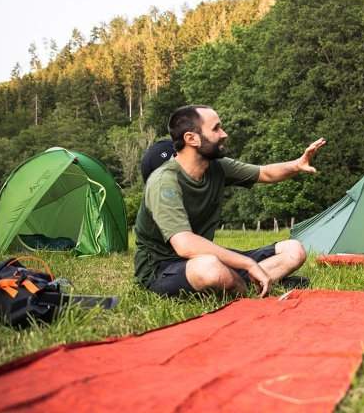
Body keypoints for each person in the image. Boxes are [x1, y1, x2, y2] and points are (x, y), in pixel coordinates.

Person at [133, 104, 327, 297]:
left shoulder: (217, 166)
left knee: (294, 250)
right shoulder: (163, 182)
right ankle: (248, 287)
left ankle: (244, 281)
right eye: (216, 128)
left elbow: (265, 173)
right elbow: (185, 245)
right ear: (191, 139)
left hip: (206, 257)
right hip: (163, 268)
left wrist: (297, 164)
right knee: (211, 268)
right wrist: (248, 263)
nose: (224, 134)